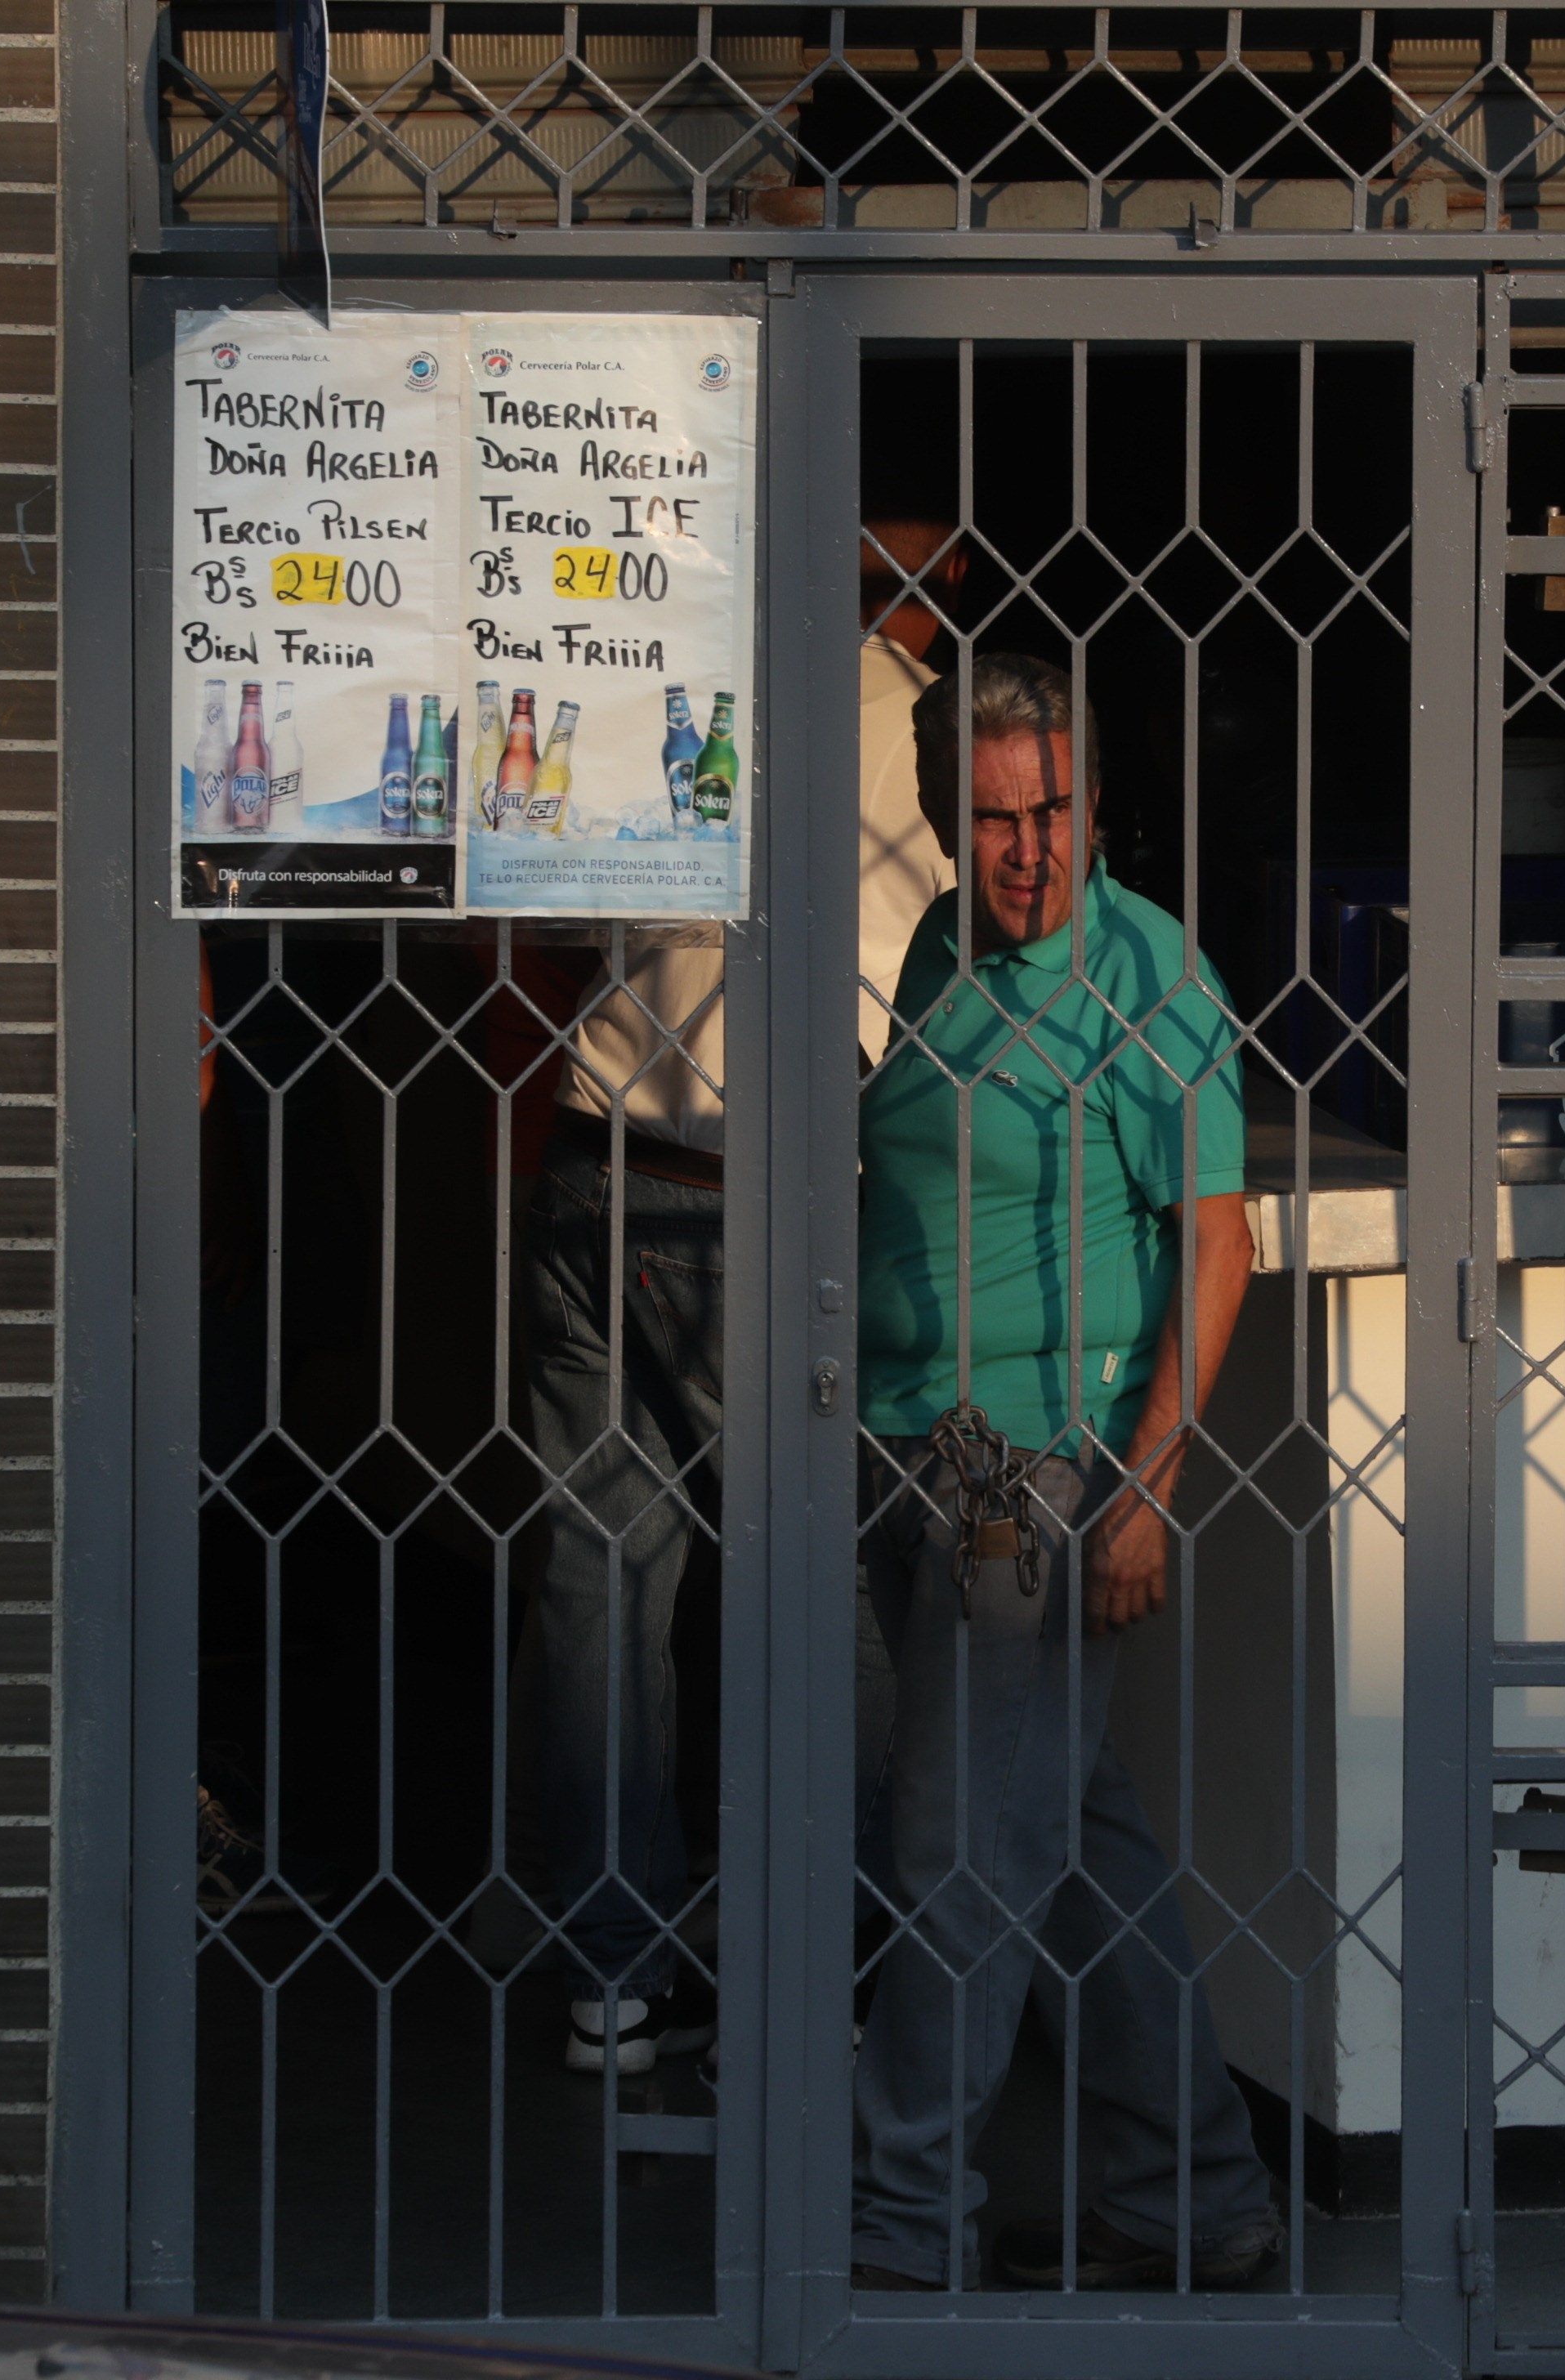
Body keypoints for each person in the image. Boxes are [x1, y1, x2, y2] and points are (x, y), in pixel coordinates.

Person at [847, 652, 1284, 2292]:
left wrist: (1147, 1484)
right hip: (930, 1438)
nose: (1027, 851)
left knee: (963, 1855)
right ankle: (1202, 2202)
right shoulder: (943, 940)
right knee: (1074, 1854)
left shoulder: (1148, 975)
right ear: (947, 818)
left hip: (1039, 1463)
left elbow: (1220, 1242)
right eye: (993, 816)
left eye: (1054, 812)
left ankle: (896, 2233)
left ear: (1101, 804)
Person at [518, 521, 967, 2074]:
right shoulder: (909, 715)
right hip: (742, 1192)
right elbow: (953, 955)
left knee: (599, 1573)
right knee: (821, 1580)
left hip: (591, 1157)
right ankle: (829, 1974)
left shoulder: (665, 662)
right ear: (933, 562)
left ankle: (611, 1981)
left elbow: (554, 905)